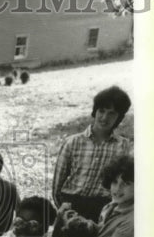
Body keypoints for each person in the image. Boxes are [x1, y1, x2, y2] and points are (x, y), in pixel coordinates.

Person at [52, 85, 132, 221]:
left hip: (102, 208)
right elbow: (57, 184)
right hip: (71, 204)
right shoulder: (73, 142)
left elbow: (124, 182)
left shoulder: (123, 146)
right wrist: (63, 207)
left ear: (119, 118)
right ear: (95, 111)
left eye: (112, 113)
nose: (105, 117)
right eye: (102, 111)